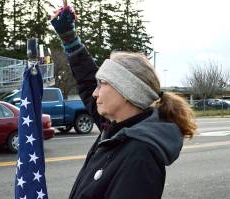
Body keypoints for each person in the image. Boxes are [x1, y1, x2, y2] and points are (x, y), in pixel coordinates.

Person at [51, 4, 197, 199]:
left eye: (101, 84)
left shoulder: (140, 156)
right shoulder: (116, 128)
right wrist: (69, 39)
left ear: (126, 91)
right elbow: (86, 82)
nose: (94, 93)